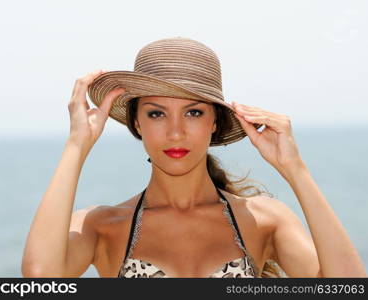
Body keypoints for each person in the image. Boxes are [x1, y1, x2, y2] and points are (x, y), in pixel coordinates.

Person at [21, 37, 366, 278]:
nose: (175, 133)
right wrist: (76, 145)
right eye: (156, 114)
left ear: (215, 121)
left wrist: (295, 170)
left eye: (193, 113)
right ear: (136, 122)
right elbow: (40, 277)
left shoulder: (263, 220)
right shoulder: (102, 226)